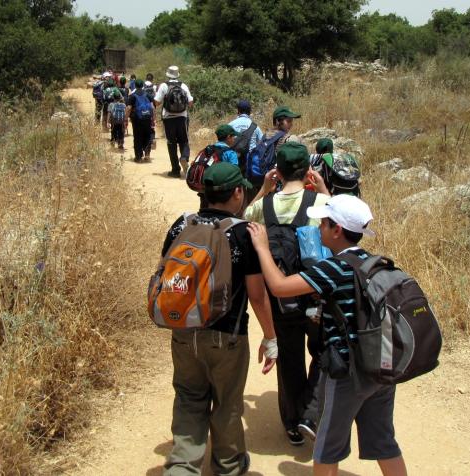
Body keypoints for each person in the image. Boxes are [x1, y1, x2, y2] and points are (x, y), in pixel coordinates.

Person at [247, 194, 408, 476]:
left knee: (327, 447)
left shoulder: (334, 268)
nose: (318, 227)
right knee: (384, 441)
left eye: (323, 223)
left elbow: (279, 286)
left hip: (348, 373)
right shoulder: (375, 262)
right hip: (380, 368)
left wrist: (261, 248)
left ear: (336, 230)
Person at [161, 162, 278, 476]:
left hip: (184, 332)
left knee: (188, 398)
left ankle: (182, 467)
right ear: (237, 192)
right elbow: (256, 296)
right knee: (227, 404)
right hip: (228, 336)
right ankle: (228, 467)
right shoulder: (243, 234)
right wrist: (270, 337)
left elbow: (167, 275)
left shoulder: (180, 225)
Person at [244, 141, 331, 446]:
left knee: (289, 358)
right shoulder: (318, 203)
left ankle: (293, 425)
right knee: (324, 352)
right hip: (314, 295)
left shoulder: (263, 207)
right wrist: (321, 187)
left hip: (280, 298)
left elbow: (244, 218)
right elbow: (337, 225)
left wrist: (264, 189)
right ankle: (312, 412)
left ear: (277, 171)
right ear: (308, 171)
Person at [155, 65, 194, 178]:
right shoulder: (183, 85)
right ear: (177, 75)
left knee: (171, 143)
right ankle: (184, 157)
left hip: (168, 119)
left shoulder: (164, 86)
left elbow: (157, 102)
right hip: (182, 118)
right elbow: (191, 102)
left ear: (168, 75)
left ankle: (175, 170)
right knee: (184, 140)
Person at [194, 125, 241, 210]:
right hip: (219, 193)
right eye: (233, 136)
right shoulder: (230, 153)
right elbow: (234, 173)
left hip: (205, 187)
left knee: (204, 211)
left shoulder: (208, 149)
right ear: (228, 137)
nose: (234, 139)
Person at [126, 79, 154, 162]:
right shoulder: (148, 95)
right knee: (147, 136)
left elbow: (129, 108)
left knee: (137, 137)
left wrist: (125, 118)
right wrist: (153, 118)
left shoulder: (132, 96)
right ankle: (147, 154)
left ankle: (138, 157)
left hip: (137, 120)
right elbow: (152, 107)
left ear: (135, 86)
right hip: (147, 118)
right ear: (142, 85)